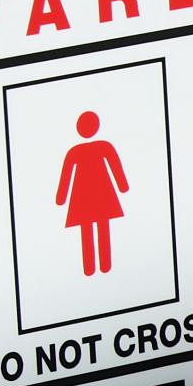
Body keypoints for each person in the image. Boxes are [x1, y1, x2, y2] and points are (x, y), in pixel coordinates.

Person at [54, 109, 130, 277]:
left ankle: (100, 267)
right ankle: (94, 267)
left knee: (96, 229)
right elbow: (66, 174)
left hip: (95, 195)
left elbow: (115, 166)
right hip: (88, 197)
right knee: (92, 230)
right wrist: (122, 186)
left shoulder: (86, 149)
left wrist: (61, 198)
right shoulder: (85, 150)